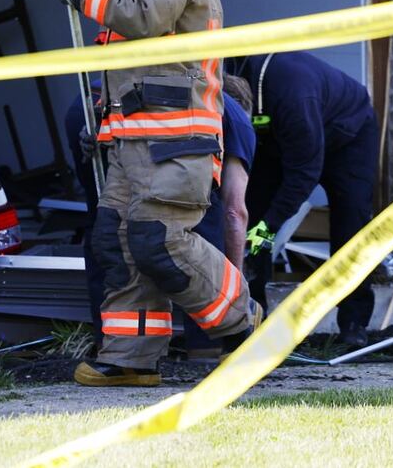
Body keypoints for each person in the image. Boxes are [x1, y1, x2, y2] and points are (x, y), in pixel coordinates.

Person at [55, 0, 259, 386]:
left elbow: (139, 16)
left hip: (173, 145)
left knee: (158, 241)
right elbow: (139, 71)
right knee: (120, 243)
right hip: (137, 146)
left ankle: (244, 330)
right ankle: (129, 359)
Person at [68, 80, 255, 359]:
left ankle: (123, 351)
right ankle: (212, 342)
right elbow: (234, 212)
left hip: (95, 107)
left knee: (111, 231)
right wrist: (236, 281)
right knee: (187, 228)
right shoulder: (238, 120)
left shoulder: (180, 91)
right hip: (123, 118)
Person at [226, 50, 378, 347]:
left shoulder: (294, 96)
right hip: (276, 135)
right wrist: (258, 225)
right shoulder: (237, 73)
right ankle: (252, 320)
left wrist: (270, 226)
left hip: (347, 136)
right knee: (251, 215)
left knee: (351, 221)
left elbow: (304, 175)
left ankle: (354, 323)